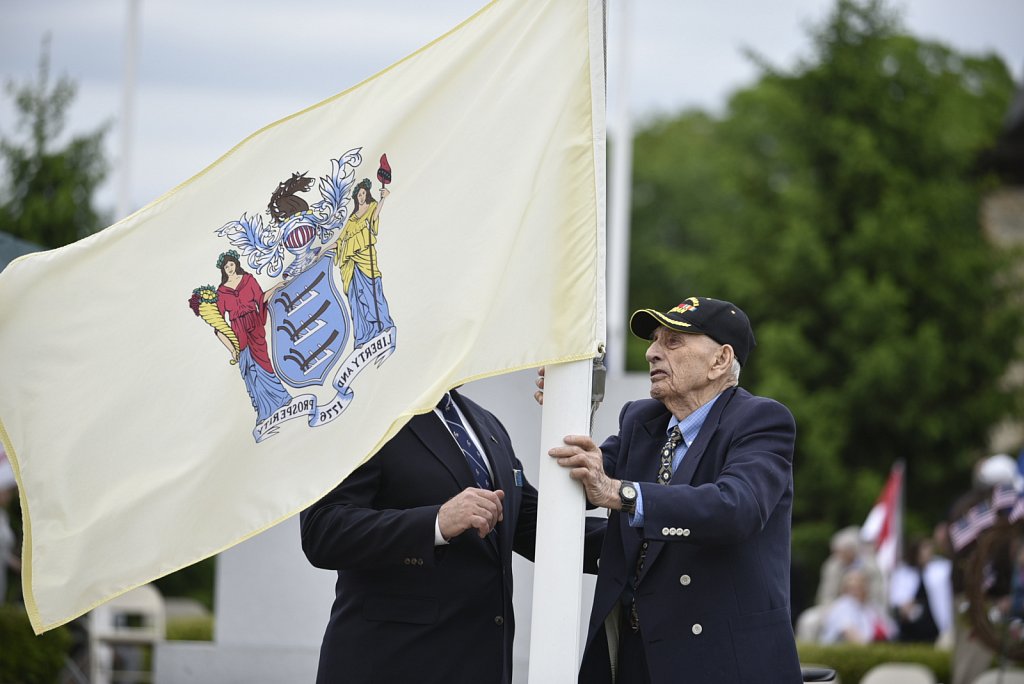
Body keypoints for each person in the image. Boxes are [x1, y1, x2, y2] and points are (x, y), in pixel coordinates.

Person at [546, 296, 803, 683]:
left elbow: (736, 508)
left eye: (673, 342)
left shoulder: (761, 420)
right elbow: (582, 483)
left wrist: (622, 493)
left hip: (722, 665)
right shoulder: (641, 420)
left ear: (720, 361)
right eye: (653, 340)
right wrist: (560, 409)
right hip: (638, 660)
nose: (651, 352)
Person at [300, 388, 600, 683]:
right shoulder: (364, 413)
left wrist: (639, 526)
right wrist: (437, 522)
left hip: (480, 667)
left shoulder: (485, 423)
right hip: (391, 664)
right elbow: (323, 530)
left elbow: (533, 525)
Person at [215, 250, 291, 421]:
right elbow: (219, 325)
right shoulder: (221, 292)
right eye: (226, 266)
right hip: (238, 332)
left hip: (254, 326)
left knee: (263, 363)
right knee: (250, 370)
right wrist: (231, 348)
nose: (229, 268)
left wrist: (276, 287)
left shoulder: (248, 279)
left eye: (231, 264)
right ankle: (264, 410)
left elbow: (260, 298)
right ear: (223, 269)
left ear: (236, 264)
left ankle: (280, 398)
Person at [334, 178, 395, 347]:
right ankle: (363, 336)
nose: (361, 197)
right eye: (358, 195)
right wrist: (324, 251)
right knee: (356, 299)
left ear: (367, 194)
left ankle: (383, 326)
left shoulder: (372, 208)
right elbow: (340, 241)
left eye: (363, 193)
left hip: (366, 260)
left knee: (373, 291)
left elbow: (376, 216)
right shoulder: (352, 219)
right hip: (351, 265)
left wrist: (383, 198)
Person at [889, 535, 953, 643]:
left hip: (935, 625)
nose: (928, 552)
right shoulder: (903, 573)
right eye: (924, 548)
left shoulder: (940, 569)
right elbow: (898, 601)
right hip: (911, 629)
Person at [819, 568, 896, 644]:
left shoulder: (871, 607)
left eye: (860, 586)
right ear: (845, 589)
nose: (857, 591)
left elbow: (892, 630)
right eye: (853, 588)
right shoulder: (843, 607)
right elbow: (851, 635)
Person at [816, 525, 885, 608]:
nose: (838, 556)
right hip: (836, 607)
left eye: (842, 551)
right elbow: (826, 594)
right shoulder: (831, 566)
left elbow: (877, 593)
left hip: (867, 607)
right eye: (836, 551)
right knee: (809, 620)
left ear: (852, 550)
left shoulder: (870, 566)